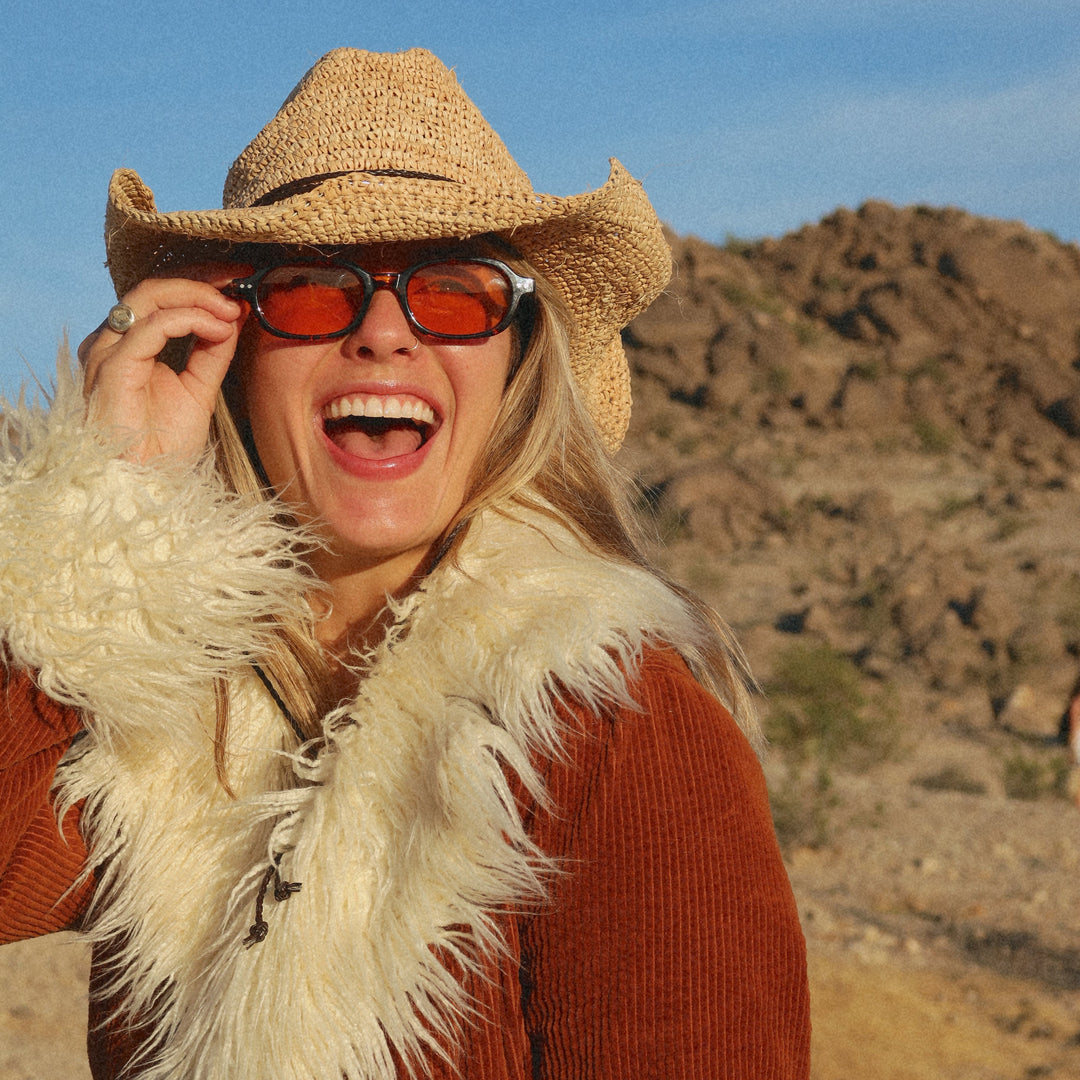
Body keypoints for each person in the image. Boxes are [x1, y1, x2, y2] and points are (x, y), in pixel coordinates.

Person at [0, 47, 810, 1079]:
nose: (385, 333)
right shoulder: (159, 706)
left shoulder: (613, 727)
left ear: (517, 361)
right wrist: (109, 502)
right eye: (309, 289)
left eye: (456, 291)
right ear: (232, 351)